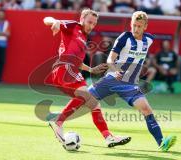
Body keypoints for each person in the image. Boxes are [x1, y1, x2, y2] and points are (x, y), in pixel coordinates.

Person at [88, 11, 177, 152]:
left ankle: (161, 142)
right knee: (84, 99)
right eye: (133, 25)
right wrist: (114, 68)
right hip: (113, 79)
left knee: (146, 109)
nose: (135, 29)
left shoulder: (149, 40)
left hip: (130, 85)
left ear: (145, 27)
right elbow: (110, 58)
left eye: (139, 26)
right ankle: (59, 121)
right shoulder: (124, 37)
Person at [44, 8, 131, 148]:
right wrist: (54, 22)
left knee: (94, 103)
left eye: (94, 24)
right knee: (88, 96)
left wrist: (90, 69)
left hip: (69, 70)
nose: (91, 26)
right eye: (89, 22)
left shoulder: (83, 37)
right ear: (82, 19)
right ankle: (58, 122)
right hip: (64, 68)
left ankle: (108, 137)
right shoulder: (73, 26)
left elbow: (78, 61)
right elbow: (47, 19)